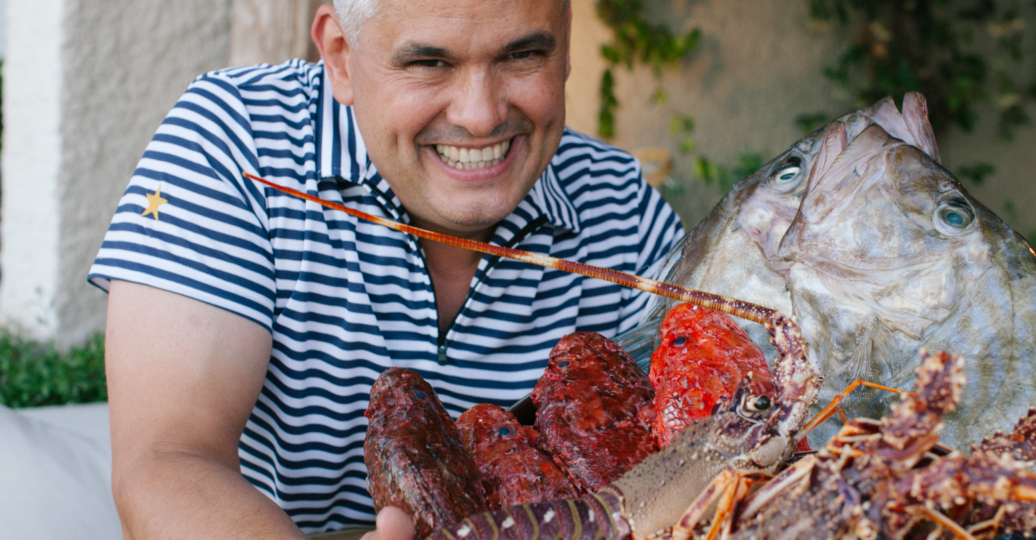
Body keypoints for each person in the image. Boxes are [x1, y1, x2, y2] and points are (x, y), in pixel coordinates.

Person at [89, 0, 682, 538]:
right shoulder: (237, 140)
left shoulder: (623, 207)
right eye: (428, 62)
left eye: (523, 54)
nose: (479, 116)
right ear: (340, 57)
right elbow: (166, 460)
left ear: (566, 41)